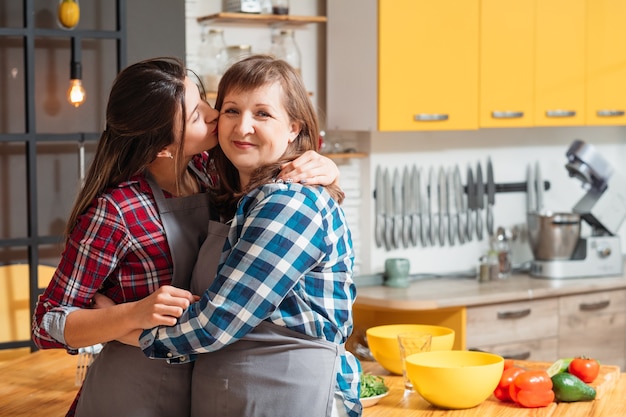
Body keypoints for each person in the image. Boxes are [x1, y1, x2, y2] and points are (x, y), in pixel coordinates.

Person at [31, 57, 341, 417]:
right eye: (197, 115)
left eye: (208, 102)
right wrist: (129, 315)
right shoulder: (118, 210)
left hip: (206, 383)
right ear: (163, 146)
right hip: (135, 388)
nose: (214, 116)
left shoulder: (215, 175)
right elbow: (46, 322)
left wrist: (323, 165)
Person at [139, 55, 361, 417]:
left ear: (293, 128)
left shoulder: (289, 203)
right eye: (231, 111)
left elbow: (220, 319)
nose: (243, 127)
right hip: (233, 391)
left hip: (286, 394)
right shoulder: (230, 194)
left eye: (262, 114)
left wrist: (131, 333)